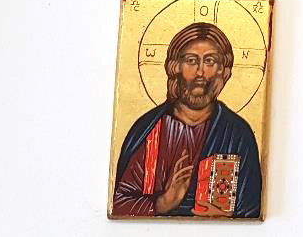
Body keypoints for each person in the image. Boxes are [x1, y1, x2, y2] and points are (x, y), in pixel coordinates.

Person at [112, 23, 262, 218]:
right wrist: (163, 202)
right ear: (175, 67)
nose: (200, 72)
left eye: (210, 61)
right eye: (191, 60)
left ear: (223, 71)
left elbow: (252, 208)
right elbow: (119, 204)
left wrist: (227, 219)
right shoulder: (149, 131)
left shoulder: (237, 134)